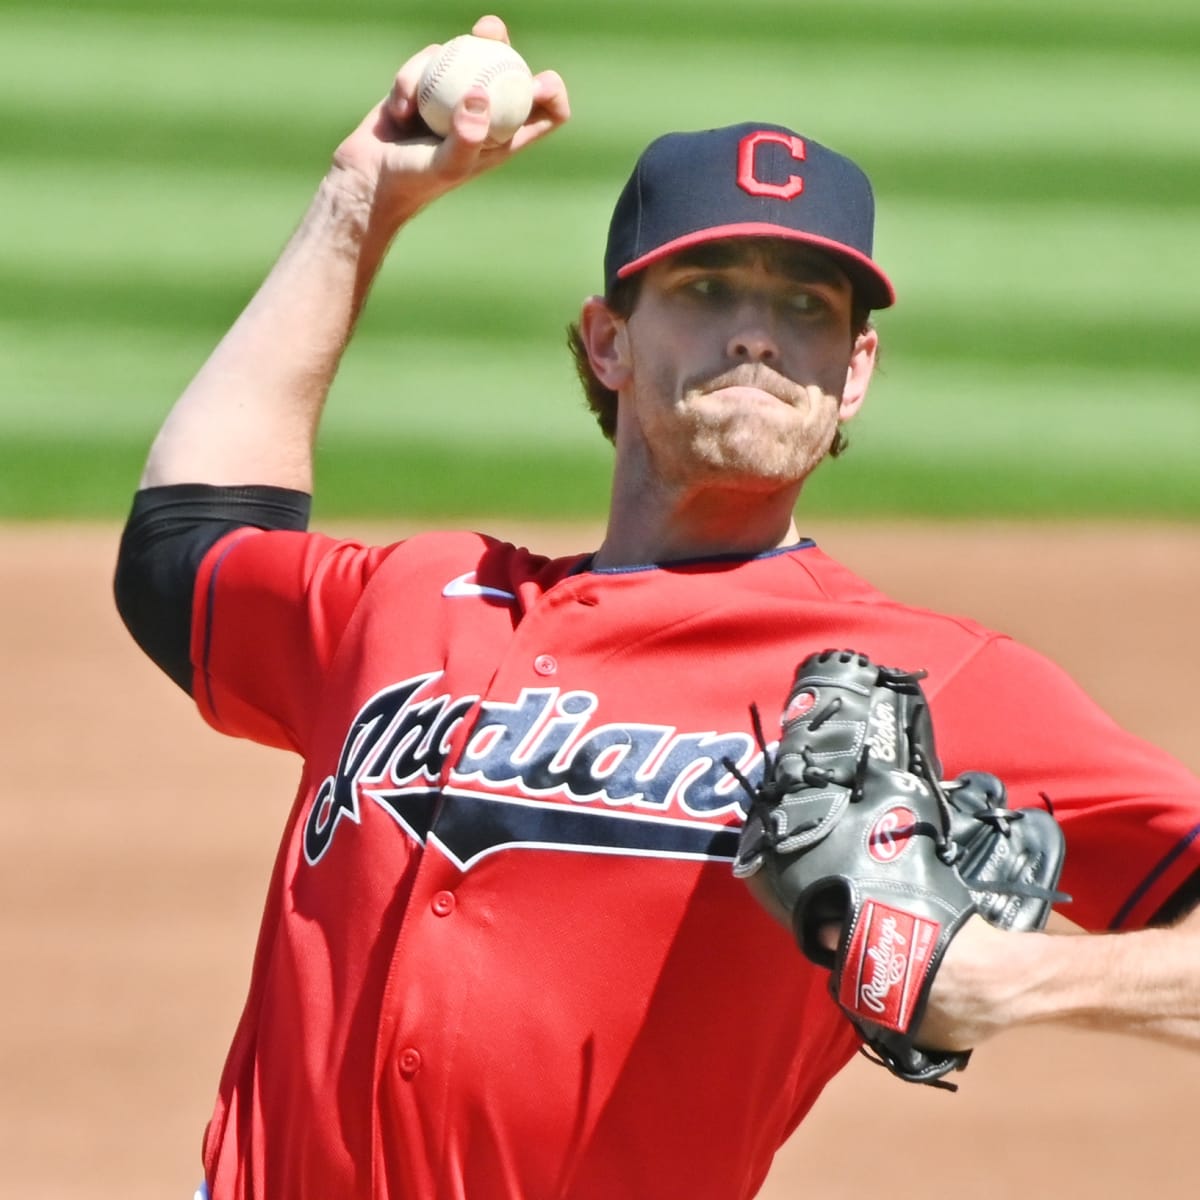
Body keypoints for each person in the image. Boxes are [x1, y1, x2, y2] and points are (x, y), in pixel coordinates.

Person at [114, 14, 1200, 1200]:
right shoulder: (416, 598)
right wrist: (360, 196)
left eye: (808, 306)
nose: (756, 329)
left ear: (855, 377)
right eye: (707, 285)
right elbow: (184, 552)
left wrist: (1004, 982)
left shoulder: (926, 684)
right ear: (607, 343)